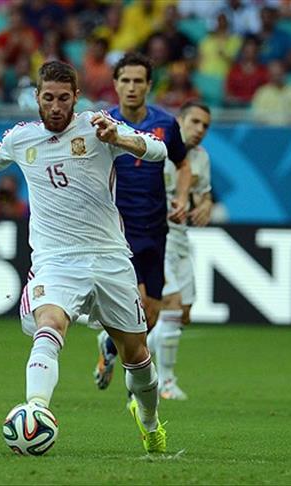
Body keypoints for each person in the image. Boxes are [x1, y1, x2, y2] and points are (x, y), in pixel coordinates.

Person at [0, 60, 169, 453]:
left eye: (63, 98)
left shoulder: (98, 126)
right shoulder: (21, 138)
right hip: (56, 261)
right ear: (37, 98)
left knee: (136, 354)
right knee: (50, 325)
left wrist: (120, 139)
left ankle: (150, 422)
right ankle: (35, 410)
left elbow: (158, 150)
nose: (56, 107)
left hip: (109, 258)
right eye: (48, 98)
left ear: (76, 98)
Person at [92, 53, 191, 392]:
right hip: (118, 230)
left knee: (152, 315)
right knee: (136, 307)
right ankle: (137, 392)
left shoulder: (166, 124)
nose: (131, 87)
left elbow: (183, 164)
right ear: (115, 84)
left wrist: (182, 197)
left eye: (138, 81)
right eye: (125, 80)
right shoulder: (101, 124)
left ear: (149, 85)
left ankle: (109, 346)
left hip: (156, 227)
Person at [148, 100, 213, 400]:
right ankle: (165, 382)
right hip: (155, 236)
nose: (199, 130)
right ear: (179, 121)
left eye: (205, 126)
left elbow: (203, 196)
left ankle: (111, 345)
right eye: (194, 122)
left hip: (180, 238)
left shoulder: (200, 158)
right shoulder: (158, 150)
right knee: (171, 306)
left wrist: (205, 206)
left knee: (183, 314)